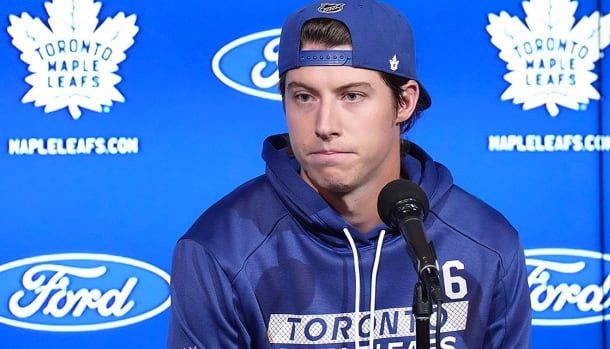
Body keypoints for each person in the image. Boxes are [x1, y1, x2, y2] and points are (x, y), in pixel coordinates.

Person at [167, 0, 532, 348]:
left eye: (352, 96)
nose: (325, 125)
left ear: (403, 102)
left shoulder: (487, 243)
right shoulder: (219, 249)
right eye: (304, 97)